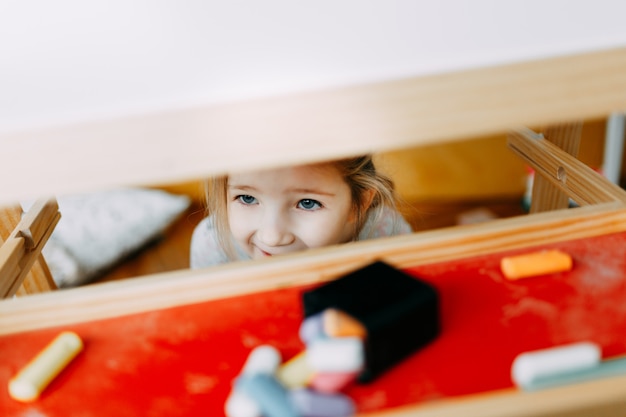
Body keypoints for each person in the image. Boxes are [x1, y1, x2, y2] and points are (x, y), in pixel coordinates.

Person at [190, 155, 412, 268]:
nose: (272, 236)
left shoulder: (385, 234)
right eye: (247, 198)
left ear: (359, 204)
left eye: (307, 203)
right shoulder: (213, 247)